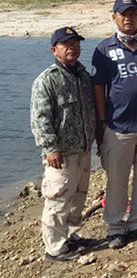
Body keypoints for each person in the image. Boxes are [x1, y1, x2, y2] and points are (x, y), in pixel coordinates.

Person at [92, 0, 137, 248]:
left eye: (133, 13)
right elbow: (98, 87)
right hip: (117, 128)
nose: (128, 18)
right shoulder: (103, 49)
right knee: (117, 180)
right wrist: (102, 121)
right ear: (114, 17)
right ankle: (115, 227)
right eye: (123, 14)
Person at [30, 27, 96, 262]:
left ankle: (71, 236)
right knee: (58, 199)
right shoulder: (47, 80)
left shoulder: (83, 76)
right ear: (54, 50)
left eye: (76, 43)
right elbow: (40, 119)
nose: (72, 48)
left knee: (78, 197)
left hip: (83, 148)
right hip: (61, 153)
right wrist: (50, 149)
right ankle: (55, 248)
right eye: (66, 44)